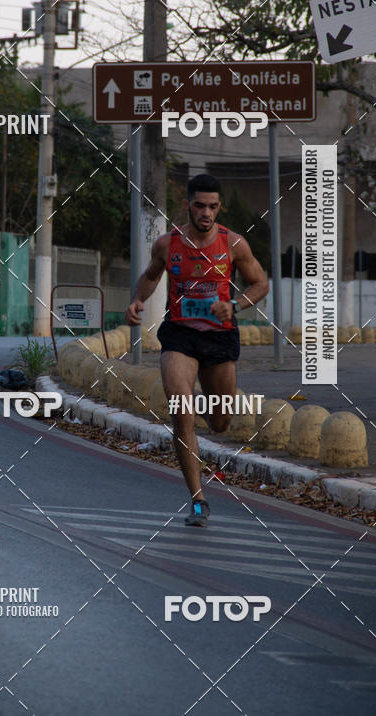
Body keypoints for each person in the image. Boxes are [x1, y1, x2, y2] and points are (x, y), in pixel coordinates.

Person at [125, 174, 269, 527]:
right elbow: (152, 274)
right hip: (180, 336)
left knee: (220, 423)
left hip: (220, 337)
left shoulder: (233, 244)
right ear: (188, 205)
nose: (207, 213)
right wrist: (137, 300)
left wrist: (234, 305)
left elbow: (260, 282)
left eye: (213, 207)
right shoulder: (167, 243)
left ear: (220, 207)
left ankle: (203, 400)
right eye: (200, 206)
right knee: (181, 413)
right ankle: (198, 499)